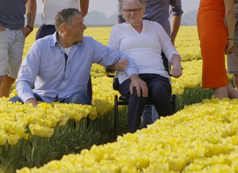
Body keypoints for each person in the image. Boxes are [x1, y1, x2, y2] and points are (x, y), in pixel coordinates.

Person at [11, 8, 143, 106]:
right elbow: (23, 80)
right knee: (15, 102)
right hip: (43, 98)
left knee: (81, 100)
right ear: (64, 27)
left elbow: (121, 57)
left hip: (71, 99)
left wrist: (134, 76)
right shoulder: (40, 46)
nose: (84, 27)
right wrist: (30, 100)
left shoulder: (89, 44)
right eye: (80, 24)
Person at [118, 0, 183, 125]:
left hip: (159, 41)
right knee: (140, 90)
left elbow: (177, 10)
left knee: (159, 89)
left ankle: (160, 129)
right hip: (134, 42)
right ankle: (147, 130)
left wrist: (171, 40)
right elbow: (121, 14)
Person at [108, 0, 183, 133]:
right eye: (127, 11)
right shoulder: (118, 30)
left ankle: (170, 132)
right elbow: (109, 58)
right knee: (137, 90)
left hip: (156, 75)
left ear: (143, 10)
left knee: (160, 91)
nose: (132, 14)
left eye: (136, 10)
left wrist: (177, 64)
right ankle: (132, 135)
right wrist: (116, 66)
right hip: (128, 77)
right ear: (122, 12)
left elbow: (170, 51)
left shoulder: (155, 27)